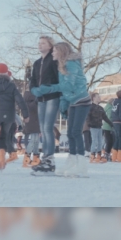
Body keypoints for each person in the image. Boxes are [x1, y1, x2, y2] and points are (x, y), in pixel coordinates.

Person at [32, 43, 91, 177]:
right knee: (70, 133)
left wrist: (47, 89)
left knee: (76, 132)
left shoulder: (71, 64)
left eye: (54, 51)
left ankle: (81, 165)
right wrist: (64, 106)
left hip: (82, 100)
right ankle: (72, 161)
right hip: (73, 102)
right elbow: (65, 91)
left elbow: (67, 85)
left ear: (61, 52)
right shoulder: (62, 66)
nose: (52, 54)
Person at [29, 36, 61, 171]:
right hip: (41, 99)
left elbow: (59, 79)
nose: (40, 45)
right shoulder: (36, 63)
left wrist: (50, 88)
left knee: (48, 128)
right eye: (39, 43)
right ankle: (45, 159)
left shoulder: (54, 61)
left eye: (43, 43)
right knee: (42, 129)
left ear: (50, 46)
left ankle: (49, 158)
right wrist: (34, 90)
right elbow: (33, 80)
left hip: (52, 97)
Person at [86, 93, 113, 164]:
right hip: (93, 127)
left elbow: (105, 117)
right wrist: (89, 123)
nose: (99, 98)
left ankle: (99, 155)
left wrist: (111, 123)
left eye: (99, 97)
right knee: (94, 141)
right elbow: (87, 116)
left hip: (99, 127)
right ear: (93, 98)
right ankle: (92, 155)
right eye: (98, 97)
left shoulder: (101, 108)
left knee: (100, 141)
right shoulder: (90, 107)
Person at [22, 90, 41, 167]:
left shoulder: (30, 103)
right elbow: (33, 106)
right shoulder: (29, 103)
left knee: (36, 141)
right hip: (33, 123)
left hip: (35, 123)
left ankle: (35, 158)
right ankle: (27, 157)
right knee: (34, 140)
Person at [102, 98, 115, 162]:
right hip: (108, 126)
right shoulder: (110, 108)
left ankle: (107, 153)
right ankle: (107, 153)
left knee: (109, 141)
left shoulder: (107, 107)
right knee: (110, 141)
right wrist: (113, 122)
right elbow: (110, 116)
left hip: (106, 126)